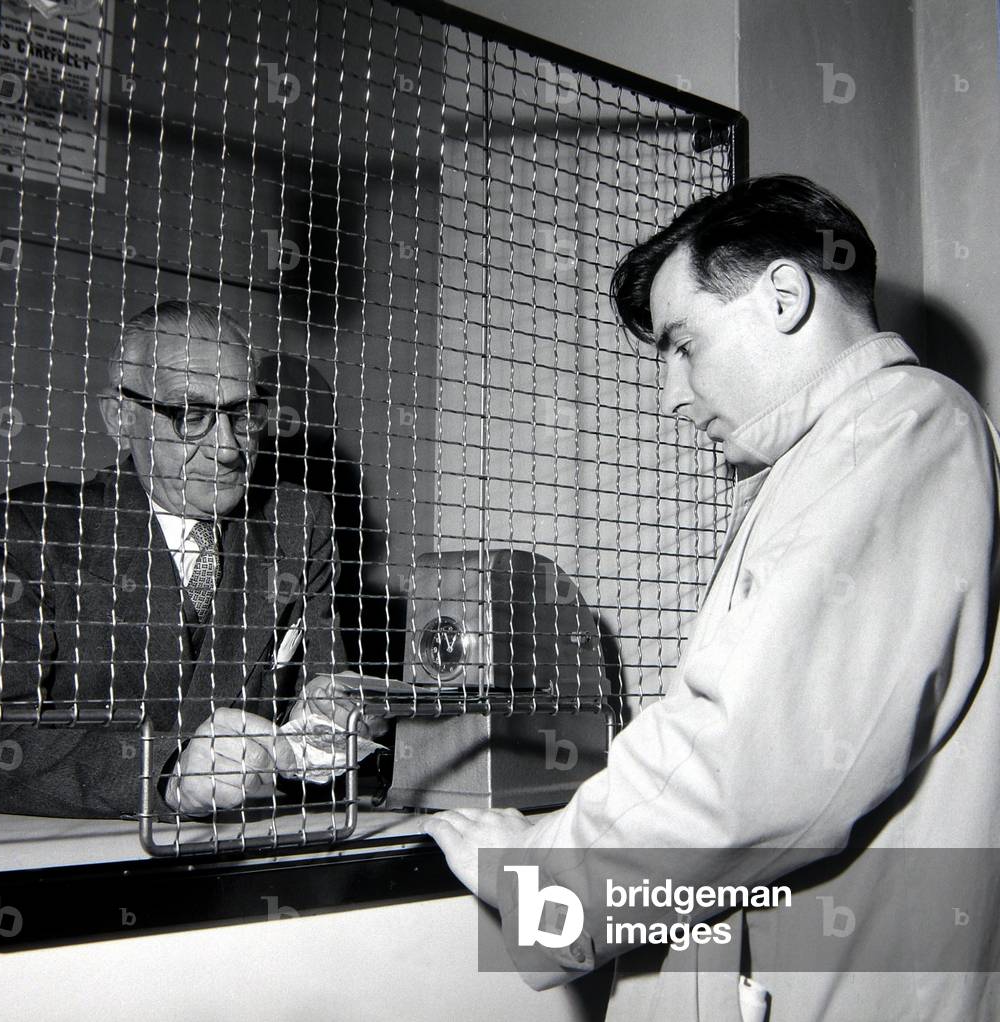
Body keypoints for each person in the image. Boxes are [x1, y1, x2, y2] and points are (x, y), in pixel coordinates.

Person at [424, 175, 1000, 1019]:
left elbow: (753, 759)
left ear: (784, 296)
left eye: (683, 344)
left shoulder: (902, 426)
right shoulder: (841, 450)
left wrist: (539, 878)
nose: (673, 396)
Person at [0, 301, 346, 819]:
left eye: (243, 416)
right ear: (120, 417)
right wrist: (166, 772)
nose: (228, 449)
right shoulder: (29, 532)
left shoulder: (298, 522)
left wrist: (343, 719)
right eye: (190, 416)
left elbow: (331, 696)